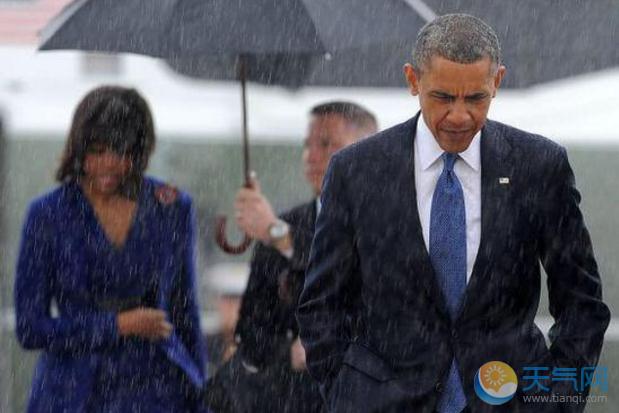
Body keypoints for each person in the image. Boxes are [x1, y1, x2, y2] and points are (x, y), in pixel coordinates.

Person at [297, 14, 610, 413]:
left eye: (475, 98)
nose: (459, 116)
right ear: (413, 80)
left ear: (497, 81)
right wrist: (347, 393)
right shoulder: (357, 171)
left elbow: (583, 304)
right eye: (443, 97)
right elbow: (322, 305)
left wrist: (558, 402)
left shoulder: (539, 167)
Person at [14, 86, 207, 413]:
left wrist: (204, 393)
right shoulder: (47, 214)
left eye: (122, 152)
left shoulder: (171, 206)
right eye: (97, 151)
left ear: (140, 151)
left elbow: (185, 314)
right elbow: (30, 329)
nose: (109, 164)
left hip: (157, 392)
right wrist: (117, 325)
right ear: (78, 148)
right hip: (73, 395)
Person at [204, 102, 377, 413]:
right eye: (307, 145)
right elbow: (252, 334)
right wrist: (288, 353)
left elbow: (366, 291)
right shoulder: (288, 223)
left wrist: (280, 236)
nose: (311, 156)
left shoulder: (391, 223)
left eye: (326, 144)